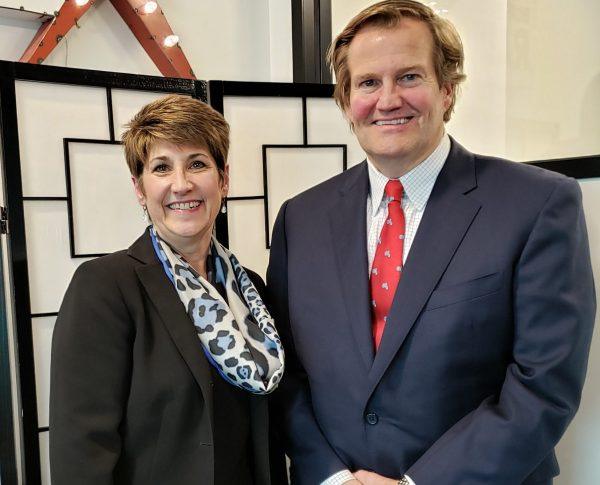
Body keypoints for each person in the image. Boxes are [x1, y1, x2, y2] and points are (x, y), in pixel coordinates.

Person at [267, 1, 596, 484]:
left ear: (446, 89)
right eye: (368, 82)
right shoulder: (300, 219)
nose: (388, 100)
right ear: (346, 100)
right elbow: (284, 373)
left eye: (409, 77)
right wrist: (333, 477)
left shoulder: (538, 204)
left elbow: (544, 385)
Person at [50, 94, 286, 485]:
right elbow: (81, 448)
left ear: (224, 179)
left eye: (197, 164)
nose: (182, 184)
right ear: (140, 189)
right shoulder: (105, 287)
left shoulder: (250, 289)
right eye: (161, 167)